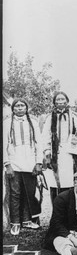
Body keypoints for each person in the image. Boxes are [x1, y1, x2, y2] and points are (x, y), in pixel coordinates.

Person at [3, 98, 43, 235]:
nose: (20, 108)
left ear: (27, 108)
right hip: (14, 163)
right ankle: (15, 222)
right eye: (17, 106)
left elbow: (39, 143)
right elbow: (4, 144)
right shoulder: (7, 123)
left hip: (30, 163)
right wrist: (7, 164)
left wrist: (38, 162)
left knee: (29, 193)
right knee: (15, 193)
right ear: (13, 109)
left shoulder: (33, 122)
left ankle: (26, 220)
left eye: (22, 106)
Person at [41, 91, 77, 204]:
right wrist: (47, 152)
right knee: (55, 181)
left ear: (67, 101)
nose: (60, 102)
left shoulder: (73, 115)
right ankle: (57, 213)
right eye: (58, 100)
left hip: (70, 153)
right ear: (54, 102)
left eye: (62, 99)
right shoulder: (50, 117)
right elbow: (45, 135)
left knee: (70, 180)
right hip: (55, 153)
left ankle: (70, 212)